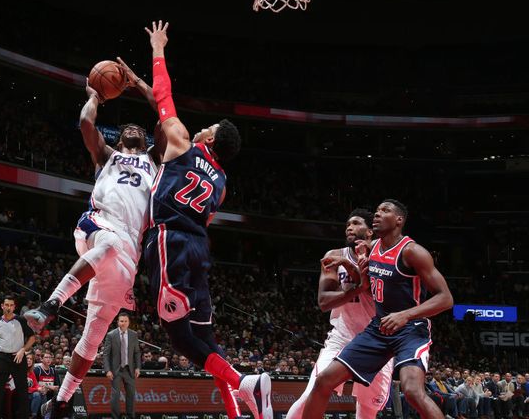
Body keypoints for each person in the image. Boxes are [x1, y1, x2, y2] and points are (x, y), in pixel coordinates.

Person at [140, 20, 266, 419]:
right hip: (198, 249)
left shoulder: (179, 141)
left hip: (169, 241)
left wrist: (158, 49)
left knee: (178, 336)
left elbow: (164, 95)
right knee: (206, 337)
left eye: (207, 127)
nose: (201, 127)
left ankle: (244, 383)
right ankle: (237, 410)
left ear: (209, 139)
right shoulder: (223, 183)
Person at [25, 56, 161, 419]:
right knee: (108, 245)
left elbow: (166, 115)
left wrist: (140, 85)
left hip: (128, 253)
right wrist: (95, 96)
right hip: (98, 227)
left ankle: (62, 402)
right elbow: (86, 122)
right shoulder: (106, 155)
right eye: (128, 126)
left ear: (145, 139)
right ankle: (50, 305)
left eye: (138, 128)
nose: (133, 128)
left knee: (95, 334)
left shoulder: (156, 160)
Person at [302, 199, 454, 419]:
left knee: (412, 392)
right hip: (378, 329)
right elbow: (365, 285)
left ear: (399, 220)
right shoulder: (371, 249)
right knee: (323, 381)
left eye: (385, 211)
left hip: (410, 329)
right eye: (376, 211)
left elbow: (446, 298)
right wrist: (347, 264)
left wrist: (405, 315)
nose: (377, 214)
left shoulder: (412, 252)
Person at [287, 209, 394, 419]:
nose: (349, 228)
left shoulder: (384, 257)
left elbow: (379, 295)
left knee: (367, 410)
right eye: (347, 224)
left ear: (370, 231)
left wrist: (355, 273)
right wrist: (356, 288)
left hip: (377, 339)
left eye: (355, 223)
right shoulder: (334, 256)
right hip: (341, 337)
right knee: (310, 395)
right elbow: (324, 302)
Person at [0, 295, 36, 419]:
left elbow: (32, 338)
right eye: (6, 305)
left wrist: (23, 350)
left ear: (14, 307)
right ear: (2, 306)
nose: (8, 307)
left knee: (22, 391)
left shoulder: (21, 320)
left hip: (17, 357)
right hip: (2, 358)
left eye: (11, 305)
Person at [102, 313, 141, 419]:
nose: (123, 323)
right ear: (118, 322)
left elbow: (137, 352)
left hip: (130, 370)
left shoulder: (133, 335)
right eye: (121, 321)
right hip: (116, 370)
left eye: (125, 321)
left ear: (129, 323)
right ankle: (116, 417)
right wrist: (107, 370)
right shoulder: (111, 335)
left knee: (131, 395)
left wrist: (138, 367)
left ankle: (130, 416)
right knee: (115, 396)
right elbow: (106, 354)